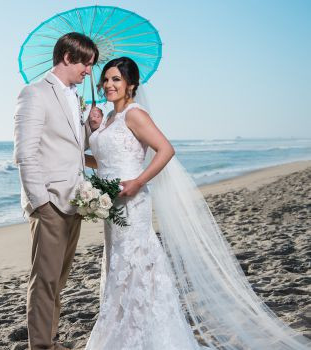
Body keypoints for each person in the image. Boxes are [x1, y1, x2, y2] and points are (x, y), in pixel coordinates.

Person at [84, 56, 310, 349]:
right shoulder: (108, 118)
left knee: (135, 265)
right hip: (111, 205)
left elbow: (166, 149)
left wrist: (139, 181)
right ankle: (123, 331)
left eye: (117, 79)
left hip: (132, 201)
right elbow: (102, 161)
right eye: (107, 79)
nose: (109, 84)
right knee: (118, 267)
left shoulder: (134, 115)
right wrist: (88, 136)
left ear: (131, 85)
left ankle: (142, 335)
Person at [13, 32, 98, 350]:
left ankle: (49, 340)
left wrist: (90, 126)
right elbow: (25, 153)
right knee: (45, 280)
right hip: (48, 202)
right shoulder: (34, 94)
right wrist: (41, 203)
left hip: (74, 200)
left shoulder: (75, 98)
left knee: (58, 280)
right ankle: (42, 346)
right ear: (67, 57)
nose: (89, 71)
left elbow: (75, 148)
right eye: (87, 63)